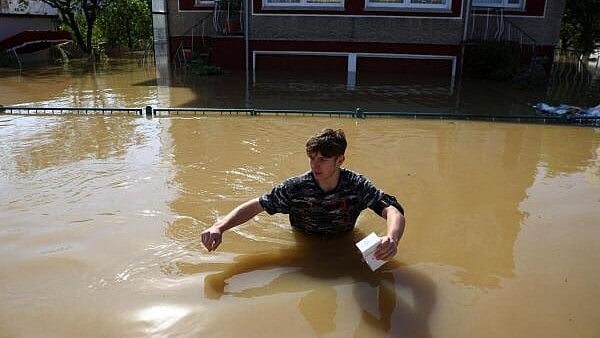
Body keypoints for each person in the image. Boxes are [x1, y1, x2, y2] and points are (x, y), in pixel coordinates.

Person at [201, 128, 405, 261]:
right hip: (305, 244)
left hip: (343, 240)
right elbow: (256, 206)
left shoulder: (357, 185)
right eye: (312, 158)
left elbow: (392, 210)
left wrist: (392, 239)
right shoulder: (296, 188)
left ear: (340, 160)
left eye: (324, 159)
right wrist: (219, 227)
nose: (316, 165)